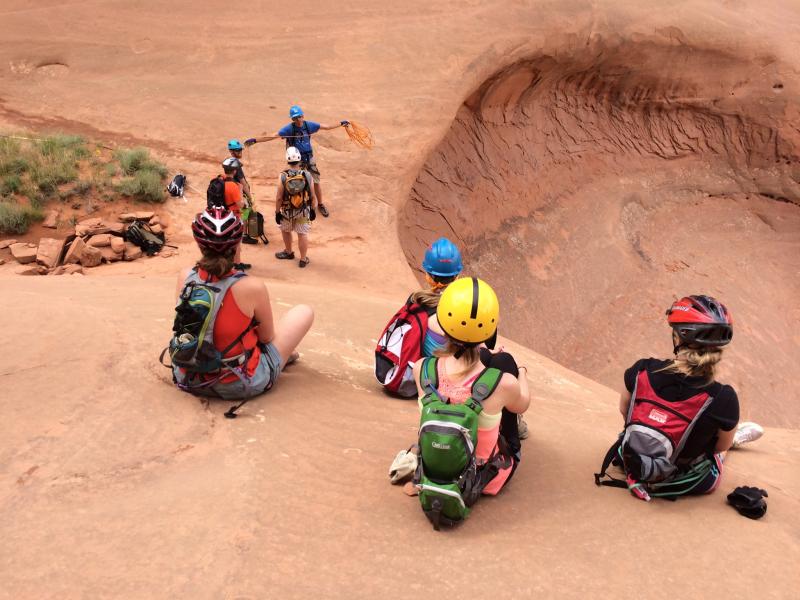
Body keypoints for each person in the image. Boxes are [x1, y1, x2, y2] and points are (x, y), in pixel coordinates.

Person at [597, 295, 763, 499]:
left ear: (678, 337)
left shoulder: (642, 369)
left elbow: (625, 411)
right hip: (681, 479)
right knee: (722, 449)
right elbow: (720, 446)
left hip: (632, 461)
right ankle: (735, 438)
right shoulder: (723, 397)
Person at [391, 277, 531, 495]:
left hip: (436, 466)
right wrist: (521, 373)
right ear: (490, 330)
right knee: (505, 364)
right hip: (482, 477)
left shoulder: (423, 369)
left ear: (444, 327)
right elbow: (522, 405)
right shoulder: (505, 383)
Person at [171, 206, 314, 402]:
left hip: (188, 375)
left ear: (199, 244)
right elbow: (266, 337)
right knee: (304, 312)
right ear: (237, 244)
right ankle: (279, 359)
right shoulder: (251, 286)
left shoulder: (186, 277)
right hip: (237, 384)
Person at [244, 104, 349, 218]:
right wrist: (255, 140)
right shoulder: (289, 129)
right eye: (295, 118)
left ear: (303, 116)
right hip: (296, 161)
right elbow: (273, 136)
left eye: (299, 117)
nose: (298, 120)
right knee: (297, 183)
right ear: (292, 119)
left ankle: (320, 204)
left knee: (316, 182)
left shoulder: (309, 126)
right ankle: (300, 204)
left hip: (309, 158)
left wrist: (341, 124)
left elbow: (327, 127)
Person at [274, 146, 317, 268]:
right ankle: (303, 259)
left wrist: (277, 212)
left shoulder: (283, 176)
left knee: (286, 230)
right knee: (302, 234)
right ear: (299, 159)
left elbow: (279, 197)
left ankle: (288, 252)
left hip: (287, 211)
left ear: (287, 160)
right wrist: (313, 210)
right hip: (303, 210)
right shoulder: (307, 175)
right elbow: (313, 196)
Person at [220, 157, 250, 270]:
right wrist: (241, 191)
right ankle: (236, 263)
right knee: (236, 241)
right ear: (234, 171)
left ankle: (226, 262)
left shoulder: (220, 180)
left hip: (221, 214)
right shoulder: (234, 186)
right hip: (233, 216)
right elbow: (240, 204)